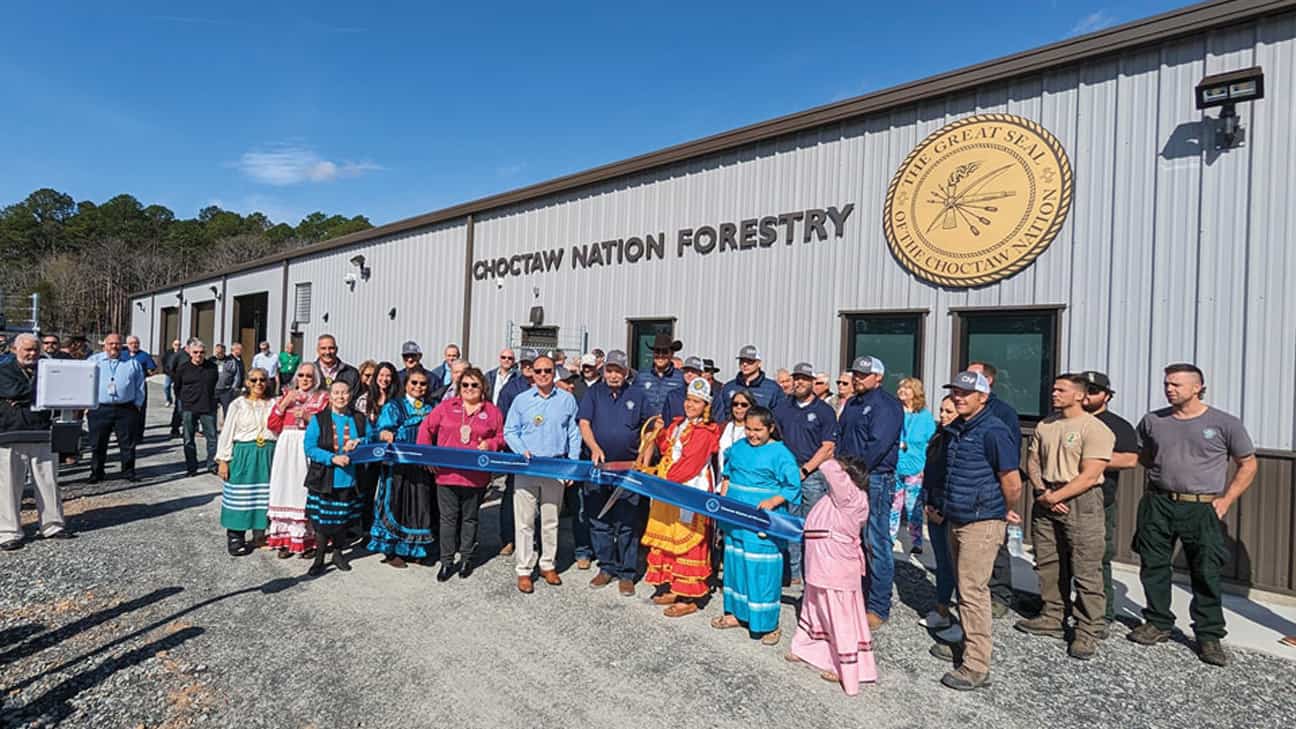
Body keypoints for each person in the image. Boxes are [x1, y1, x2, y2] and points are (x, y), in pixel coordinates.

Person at [1128, 363, 1256, 667]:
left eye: (1176, 384)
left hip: (1202, 507)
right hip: (1159, 502)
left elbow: (1248, 463)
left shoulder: (1225, 423)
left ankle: (1209, 635)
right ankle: (1158, 622)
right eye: (1167, 384)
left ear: (1197, 387)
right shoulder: (1153, 420)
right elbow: (1144, 455)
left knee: (1205, 570)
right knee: (1154, 564)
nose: (1169, 389)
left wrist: (1226, 500)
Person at [932, 370, 1022, 691]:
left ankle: (976, 664)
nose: (958, 397)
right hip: (957, 517)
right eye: (955, 391)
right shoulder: (958, 428)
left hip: (982, 521)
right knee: (964, 585)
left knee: (973, 591)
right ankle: (967, 642)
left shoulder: (994, 431)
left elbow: (1012, 481)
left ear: (983, 397)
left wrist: (1004, 509)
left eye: (966, 393)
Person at [1016, 373, 1114, 661]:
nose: (1054, 394)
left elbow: (1091, 474)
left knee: (1085, 566)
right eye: (1054, 389)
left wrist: (1058, 497)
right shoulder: (1046, 425)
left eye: (1061, 390)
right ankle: (1052, 615)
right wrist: (1043, 491)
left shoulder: (1094, 428)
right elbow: (1033, 461)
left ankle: (1087, 629)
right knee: (1048, 561)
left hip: (1081, 501)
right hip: (1046, 495)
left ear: (1080, 395)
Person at [710, 406, 801, 644]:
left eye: (758, 430)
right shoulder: (738, 448)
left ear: (770, 428)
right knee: (736, 564)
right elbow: (727, 478)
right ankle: (736, 614)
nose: (752, 434)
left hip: (763, 521)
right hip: (735, 519)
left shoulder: (780, 453)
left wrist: (773, 500)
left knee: (762, 570)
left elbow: (792, 486)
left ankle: (768, 623)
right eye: (748, 429)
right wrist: (722, 509)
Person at [786, 457, 877, 695]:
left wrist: (831, 455)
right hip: (821, 564)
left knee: (839, 616)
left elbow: (829, 468)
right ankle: (808, 648)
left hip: (835, 567)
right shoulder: (839, 498)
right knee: (814, 608)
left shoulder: (851, 497)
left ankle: (845, 667)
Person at [639, 377, 721, 616]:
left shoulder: (706, 432)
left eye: (696, 402)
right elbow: (667, 449)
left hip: (688, 490)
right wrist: (659, 434)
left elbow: (691, 464)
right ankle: (675, 586)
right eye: (688, 400)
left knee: (688, 537)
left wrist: (662, 482)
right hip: (670, 488)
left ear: (705, 405)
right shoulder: (679, 425)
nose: (690, 405)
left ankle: (690, 595)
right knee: (670, 532)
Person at [503, 355, 581, 594]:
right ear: (531, 373)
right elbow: (509, 430)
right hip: (527, 466)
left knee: (550, 520)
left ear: (554, 372)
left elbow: (574, 434)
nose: (543, 374)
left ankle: (548, 564)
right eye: (538, 371)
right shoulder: (521, 400)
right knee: (524, 521)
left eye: (548, 370)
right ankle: (524, 570)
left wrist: (573, 465)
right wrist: (520, 450)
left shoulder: (567, 400)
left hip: (556, 466)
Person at [418, 366, 504, 581]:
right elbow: (426, 428)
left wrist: (491, 443)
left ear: (483, 387)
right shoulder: (447, 406)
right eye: (465, 384)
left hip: (475, 476)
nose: (469, 388)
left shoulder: (492, 411)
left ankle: (466, 558)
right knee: (448, 519)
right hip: (447, 474)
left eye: (474, 385)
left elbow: (503, 437)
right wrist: (427, 455)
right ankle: (447, 561)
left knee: (470, 519)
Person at [835, 355, 903, 630]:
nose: (858, 378)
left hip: (874, 478)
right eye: (856, 374)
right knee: (852, 539)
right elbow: (841, 438)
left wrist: (854, 473)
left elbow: (878, 446)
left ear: (878, 377)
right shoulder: (852, 403)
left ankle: (878, 605)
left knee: (876, 541)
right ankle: (855, 593)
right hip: (850, 477)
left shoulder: (886, 406)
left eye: (864, 374)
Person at [577, 350, 646, 595]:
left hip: (628, 470)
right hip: (598, 468)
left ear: (626, 372)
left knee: (627, 522)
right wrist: (594, 447)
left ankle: (627, 573)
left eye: (618, 370)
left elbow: (650, 428)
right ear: (603, 371)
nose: (614, 375)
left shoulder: (637, 394)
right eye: (610, 370)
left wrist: (644, 456)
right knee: (599, 519)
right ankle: (606, 567)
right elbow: (584, 422)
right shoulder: (593, 393)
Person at [1079, 370, 1140, 635]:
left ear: (1106, 395)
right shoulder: (1065, 420)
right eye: (1084, 390)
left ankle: (1101, 613)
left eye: (1094, 391)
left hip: (1098, 501)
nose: (1087, 396)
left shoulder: (1117, 424)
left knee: (1097, 557)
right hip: (1062, 500)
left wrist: (1091, 459)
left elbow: (1129, 459)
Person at [966, 361, 1023, 618]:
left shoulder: (1003, 413)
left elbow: (1008, 459)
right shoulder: (962, 408)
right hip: (965, 488)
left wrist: (1004, 500)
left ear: (988, 381)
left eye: (972, 376)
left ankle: (999, 594)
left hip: (990, 487)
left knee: (996, 544)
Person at [1, 334, 67, 550]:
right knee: (9, 485)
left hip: (42, 431)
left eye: (35, 350)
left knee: (48, 482)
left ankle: (52, 525)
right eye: (27, 350)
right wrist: (35, 393)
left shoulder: (48, 369)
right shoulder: (4, 369)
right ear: (15, 349)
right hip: (10, 433)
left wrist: (22, 397)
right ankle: (9, 532)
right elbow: (11, 390)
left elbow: (57, 391)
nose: (32, 354)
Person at [773, 362, 837, 585]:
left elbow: (828, 446)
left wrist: (806, 469)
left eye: (804, 378)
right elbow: (775, 439)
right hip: (786, 474)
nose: (799, 382)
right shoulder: (782, 407)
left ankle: (814, 573)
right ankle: (792, 573)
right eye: (796, 378)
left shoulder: (824, 411)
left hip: (813, 475)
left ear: (812, 382)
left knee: (812, 526)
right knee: (788, 523)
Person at [368, 370, 437, 567]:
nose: (418, 387)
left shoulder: (431, 407)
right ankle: (392, 550)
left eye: (423, 383)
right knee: (396, 503)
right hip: (397, 465)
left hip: (421, 465)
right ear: (406, 384)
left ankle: (415, 548)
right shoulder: (394, 406)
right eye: (414, 382)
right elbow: (381, 429)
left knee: (419, 506)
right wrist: (385, 433)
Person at [303, 380, 368, 577]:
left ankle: (339, 554)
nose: (341, 397)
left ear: (351, 395)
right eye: (337, 393)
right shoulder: (319, 419)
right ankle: (320, 558)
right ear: (330, 396)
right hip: (325, 477)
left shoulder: (359, 418)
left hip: (350, 477)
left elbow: (371, 439)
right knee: (322, 522)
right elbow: (310, 447)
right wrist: (332, 458)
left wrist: (360, 442)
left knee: (342, 519)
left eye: (345, 392)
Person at [266, 362, 329, 557]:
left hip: (307, 445)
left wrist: (310, 418)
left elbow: (327, 426)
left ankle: (308, 540)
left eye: (309, 376)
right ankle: (286, 538)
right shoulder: (287, 395)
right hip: (287, 445)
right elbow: (272, 424)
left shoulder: (322, 398)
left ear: (316, 378)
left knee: (304, 489)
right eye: (301, 375)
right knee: (285, 487)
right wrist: (285, 403)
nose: (304, 379)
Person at [215, 367, 276, 556]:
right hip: (244, 453)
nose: (259, 383)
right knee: (240, 496)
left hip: (268, 452)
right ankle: (235, 537)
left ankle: (260, 535)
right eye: (254, 380)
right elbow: (227, 432)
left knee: (264, 496)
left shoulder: (274, 403)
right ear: (247, 383)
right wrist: (223, 460)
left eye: (262, 380)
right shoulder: (238, 404)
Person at [494, 347, 539, 556]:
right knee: (512, 494)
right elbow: (502, 421)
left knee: (537, 497)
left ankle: (535, 539)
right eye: (526, 364)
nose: (529, 368)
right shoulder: (511, 389)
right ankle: (508, 538)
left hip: (539, 451)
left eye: (532, 364)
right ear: (520, 366)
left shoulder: (545, 387)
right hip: (515, 450)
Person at [921, 395, 960, 631]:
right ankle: (942, 606)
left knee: (955, 564)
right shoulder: (939, 436)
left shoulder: (961, 440)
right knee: (942, 562)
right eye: (942, 410)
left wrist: (944, 511)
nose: (943, 416)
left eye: (949, 412)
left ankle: (956, 614)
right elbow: (930, 472)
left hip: (950, 510)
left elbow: (956, 479)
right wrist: (927, 503)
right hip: (933, 504)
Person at [87, 333, 146, 483]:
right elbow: (84, 383)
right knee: (98, 443)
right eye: (111, 343)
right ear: (104, 345)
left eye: (117, 344)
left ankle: (128, 472)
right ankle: (97, 472)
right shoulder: (93, 361)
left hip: (126, 409)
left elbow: (140, 386)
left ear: (122, 346)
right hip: (99, 408)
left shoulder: (132, 363)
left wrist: (138, 405)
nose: (114, 346)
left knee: (127, 444)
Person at [353, 361, 399, 533]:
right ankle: (366, 529)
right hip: (369, 453)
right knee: (368, 490)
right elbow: (359, 427)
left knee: (387, 492)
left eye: (388, 375)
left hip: (391, 454)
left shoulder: (397, 400)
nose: (384, 379)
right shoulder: (364, 400)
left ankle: (386, 526)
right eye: (381, 375)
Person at [894, 377, 937, 554]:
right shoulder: (894, 412)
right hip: (894, 466)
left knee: (913, 507)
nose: (902, 390)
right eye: (901, 387)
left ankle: (916, 541)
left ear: (915, 392)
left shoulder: (925, 417)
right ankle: (889, 537)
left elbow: (931, 443)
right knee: (893, 506)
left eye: (907, 388)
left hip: (915, 467)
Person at [174, 339, 220, 477]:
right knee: (188, 439)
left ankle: (212, 465)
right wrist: (184, 401)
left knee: (212, 438)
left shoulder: (212, 367)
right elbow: (177, 387)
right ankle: (191, 467)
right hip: (189, 407)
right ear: (190, 353)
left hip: (208, 407)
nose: (199, 355)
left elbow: (214, 384)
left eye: (201, 352)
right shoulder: (183, 368)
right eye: (195, 352)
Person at [715, 345, 785, 423]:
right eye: (742, 360)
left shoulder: (773, 388)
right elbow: (720, 416)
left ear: (759, 363)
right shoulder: (728, 387)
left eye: (750, 361)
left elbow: (779, 418)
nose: (745, 364)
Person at [633, 333, 685, 420]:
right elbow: (634, 399)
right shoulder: (641, 376)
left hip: (670, 427)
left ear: (671, 354)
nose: (660, 355)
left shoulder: (680, 378)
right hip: (646, 426)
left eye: (664, 352)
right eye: (657, 351)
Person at [121, 335, 157, 443]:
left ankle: (138, 435)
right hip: (125, 385)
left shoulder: (144, 355)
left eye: (136, 343)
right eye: (131, 343)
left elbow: (152, 370)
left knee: (140, 410)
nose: (134, 345)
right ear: (127, 344)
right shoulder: (122, 355)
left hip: (139, 385)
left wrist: (146, 373)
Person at [718, 389, 754, 477]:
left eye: (744, 405)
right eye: (735, 404)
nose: (739, 407)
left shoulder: (754, 430)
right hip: (720, 484)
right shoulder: (723, 427)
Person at [213, 344, 243, 419]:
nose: (218, 354)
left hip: (226, 390)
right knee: (212, 411)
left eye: (220, 352)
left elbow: (237, 376)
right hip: (214, 390)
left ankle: (227, 428)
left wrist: (233, 388)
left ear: (224, 352)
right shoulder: (211, 360)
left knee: (228, 411)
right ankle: (212, 429)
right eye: (217, 352)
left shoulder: (231, 361)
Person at [163, 339, 183, 434]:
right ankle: (168, 399)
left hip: (178, 378)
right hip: (169, 374)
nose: (177, 346)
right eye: (176, 344)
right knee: (166, 386)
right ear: (172, 345)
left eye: (179, 344)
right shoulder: (169, 353)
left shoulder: (182, 354)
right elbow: (165, 363)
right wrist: (168, 373)